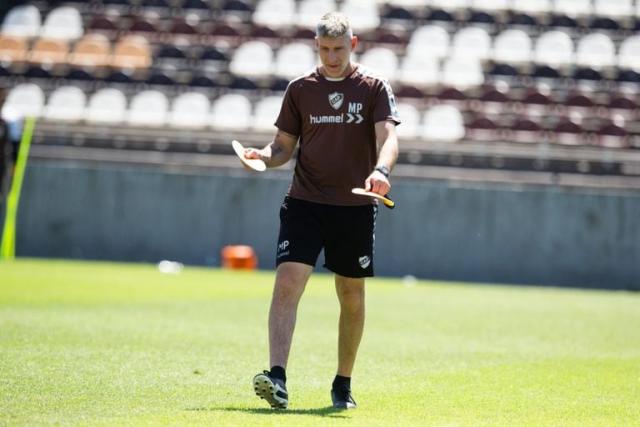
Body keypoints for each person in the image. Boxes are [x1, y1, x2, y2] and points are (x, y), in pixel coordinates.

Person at [240, 11, 400, 410]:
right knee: (288, 282)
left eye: (339, 49)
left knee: (351, 293)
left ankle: (342, 383)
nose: (332, 57)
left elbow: (389, 138)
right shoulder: (300, 89)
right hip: (305, 202)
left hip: (355, 206)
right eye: (325, 49)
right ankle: (277, 377)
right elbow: (282, 148)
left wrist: (381, 170)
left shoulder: (374, 87)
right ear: (316, 45)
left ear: (354, 45)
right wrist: (263, 155)